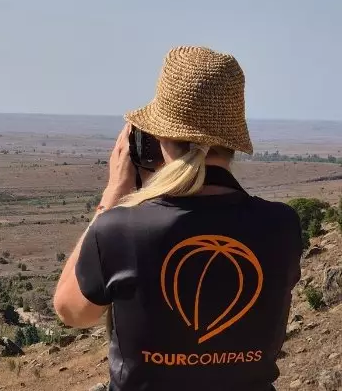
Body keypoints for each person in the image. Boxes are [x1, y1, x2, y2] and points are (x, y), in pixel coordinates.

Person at [54, 46, 302, 391]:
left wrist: (113, 194)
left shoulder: (121, 229)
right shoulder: (282, 226)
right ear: (231, 142)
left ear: (158, 139)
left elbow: (72, 312)